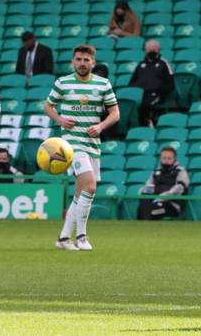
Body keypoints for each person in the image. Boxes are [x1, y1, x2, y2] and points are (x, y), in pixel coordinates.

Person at [44, 44, 120, 251]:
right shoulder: (63, 83)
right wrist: (60, 120)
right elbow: (48, 106)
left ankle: (62, 239)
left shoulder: (103, 84)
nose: (82, 63)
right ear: (73, 61)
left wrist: (101, 126)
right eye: (78, 59)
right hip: (72, 146)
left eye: (86, 60)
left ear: (93, 63)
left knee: (81, 194)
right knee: (91, 186)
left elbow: (115, 113)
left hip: (92, 145)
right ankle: (82, 237)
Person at [128, 39, 175, 127]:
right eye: (149, 49)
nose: (151, 51)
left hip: (155, 95)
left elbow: (170, 84)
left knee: (144, 106)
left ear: (158, 50)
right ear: (145, 50)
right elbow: (131, 83)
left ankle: (147, 126)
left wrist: (159, 92)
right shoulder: (141, 65)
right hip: (139, 95)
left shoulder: (163, 63)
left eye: (153, 49)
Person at [138, 146, 189, 220]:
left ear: (174, 159)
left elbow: (181, 187)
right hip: (155, 201)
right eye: (164, 158)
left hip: (172, 205)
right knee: (142, 209)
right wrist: (143, 191)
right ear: (160, 158)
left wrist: (165, 196)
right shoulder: (156, 172)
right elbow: (148, 185)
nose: (166, 160)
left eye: (169, 158)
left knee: (151, 212)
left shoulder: (180, 171)